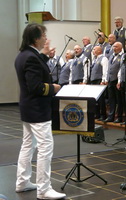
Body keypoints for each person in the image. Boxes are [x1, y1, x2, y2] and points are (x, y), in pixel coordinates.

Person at [14, 23, 66, 199]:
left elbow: (34, 70)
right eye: (44, 35)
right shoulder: (31, 58)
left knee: (28, 145)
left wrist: (43, 56)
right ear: (36, 38)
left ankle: (22, 182)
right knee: (45, 147)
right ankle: (44, 189)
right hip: (37, 109)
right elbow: (35, 86)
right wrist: (54, 88)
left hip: (28, 108)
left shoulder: (24, 55)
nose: (46, 38)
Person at [103, 42, 123, 123]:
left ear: (121, 48)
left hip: (117, 80)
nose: (114, 48)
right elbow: (108, 68)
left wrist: (119, 81)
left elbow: (121, 69)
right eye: (113, 46)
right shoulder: (111, 56)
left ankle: (119, 117)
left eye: (116, 47)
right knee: (111, 99)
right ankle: (111, 116)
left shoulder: (122, 56)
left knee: (119, 100)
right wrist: (106, 79)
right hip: (110, 80)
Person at [90, 45, 108, 120]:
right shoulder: (94, 59)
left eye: (95, 49)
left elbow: (105, 69)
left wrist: (103, 80)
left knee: (101, 99)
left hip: (99, 80)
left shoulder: (103, 58)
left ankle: (103, 115)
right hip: (93, 80)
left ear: (99, 51)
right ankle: (97, 114)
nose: (93, 51)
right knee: (95, 99)